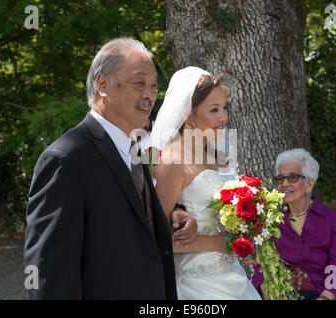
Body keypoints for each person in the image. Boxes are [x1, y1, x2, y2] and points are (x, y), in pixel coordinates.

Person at [24, 38, 198, 299]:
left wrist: (175, 214)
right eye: (138, 83)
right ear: (102, 85)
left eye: (153, 86)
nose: (150, 95)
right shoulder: (66, 158)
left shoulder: (135, 149)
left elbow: (132, 217)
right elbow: (49, 272)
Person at [150, 66, 261, 300]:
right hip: (196, 286)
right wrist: (215, 243)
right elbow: (154, 239)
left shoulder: (216, 156)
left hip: (232, 276)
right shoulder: (171, 162)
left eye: (224, 108)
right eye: (214, 110)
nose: (223, 117)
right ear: (188, 114)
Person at [252, 149, 336, 300]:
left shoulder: (331, 220)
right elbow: (262, 265)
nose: (285, 184)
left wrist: (326, 296)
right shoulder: (269, 219)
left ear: (310, 184)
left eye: (293, 177)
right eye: (280, 178)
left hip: (320, 292)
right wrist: (270, 294)